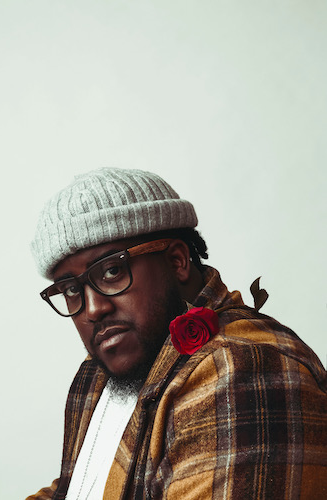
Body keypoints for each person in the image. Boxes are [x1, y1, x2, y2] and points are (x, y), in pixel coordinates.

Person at [27, 167, 327, 500]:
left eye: (112, 271)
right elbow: (78, 488)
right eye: (71, 290)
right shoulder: (104, 372)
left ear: (177, 261)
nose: (93, 309)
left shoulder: (242, 369)